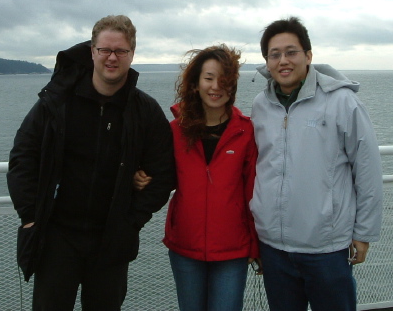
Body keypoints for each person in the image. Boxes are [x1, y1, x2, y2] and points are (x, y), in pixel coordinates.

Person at [7, 15, 175, 311]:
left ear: (132, 54)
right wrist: (30, 215)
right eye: (105, 50)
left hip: (111, 240)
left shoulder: (144, 111)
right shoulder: (58, 102)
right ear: (92, 51)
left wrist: (132, 221)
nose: (112, 57)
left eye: (120, 51)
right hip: (57, 237)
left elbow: (164, 172)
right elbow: (23, 157)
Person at [249, 17, 383, 311]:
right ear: (267, 61)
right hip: (273, 247)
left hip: (326, 248)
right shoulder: (261, 105)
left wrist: (363, 233)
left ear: (308, 56)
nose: (283, 60)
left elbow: (368, 169)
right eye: (275, 54)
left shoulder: (342, 102)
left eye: (291, 51)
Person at [134, 45, 259, 311]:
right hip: (185, 248)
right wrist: (141, 177)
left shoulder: (246, 132)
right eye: (209, 78)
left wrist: (256, 247)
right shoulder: (175, 131)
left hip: (232, 250)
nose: (216, 86)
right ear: (196, 83)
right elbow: (162, 174)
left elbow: (253, 193)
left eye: (224, 79)